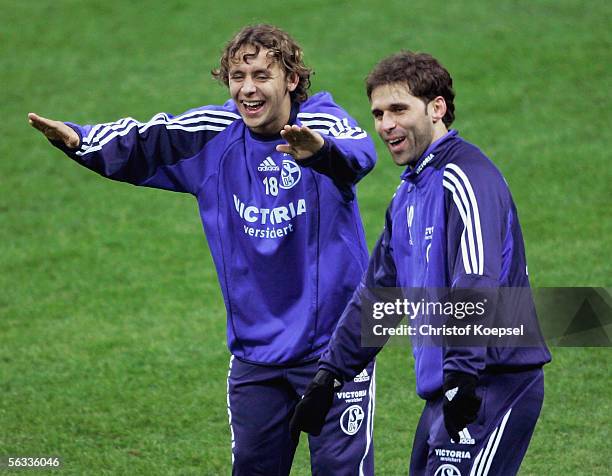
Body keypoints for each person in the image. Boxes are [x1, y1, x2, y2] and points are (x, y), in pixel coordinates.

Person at [28, 24, 377, 476]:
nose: (247, 89)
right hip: (255, 356)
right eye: (237, 76)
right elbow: (148, 140)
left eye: (260, 75)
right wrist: (80, 140)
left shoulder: (323, 123)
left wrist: (321, 153)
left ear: (291, 79)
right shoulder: (214, 135)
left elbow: (358, 154)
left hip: (335, 349)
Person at [290, 51, 551, 475]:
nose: (385, 125)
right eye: (377, 113)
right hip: (449, 386)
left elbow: (476, 280)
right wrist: (330, 375)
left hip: (490, 383)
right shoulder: (409, 193)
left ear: (436, 108)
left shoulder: (466, 177)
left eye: (398, 109)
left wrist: (463, 376)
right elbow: (379, 295)